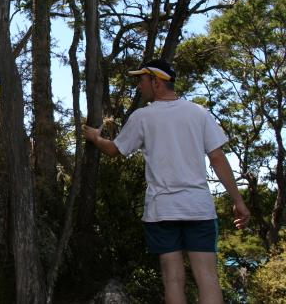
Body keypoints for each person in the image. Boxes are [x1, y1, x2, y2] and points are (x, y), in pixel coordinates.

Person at [82, 59, 250, 304]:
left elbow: (115, 150)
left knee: (172, 279)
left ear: (157, 82)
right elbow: (217, 158)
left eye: (142, 80)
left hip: (162, 211)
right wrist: (238, 201)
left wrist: (95, 138)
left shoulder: (142, 117)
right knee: (207, 277)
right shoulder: (199, 113)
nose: (139, 86)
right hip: (199, 209)